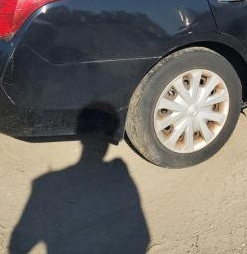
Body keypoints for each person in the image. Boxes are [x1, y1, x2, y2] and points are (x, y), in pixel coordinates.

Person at [9, 108, 149, 253]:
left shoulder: (44, 183)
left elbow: (19, 244)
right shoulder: (120, 174)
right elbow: (143, 236)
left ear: (82, 142)